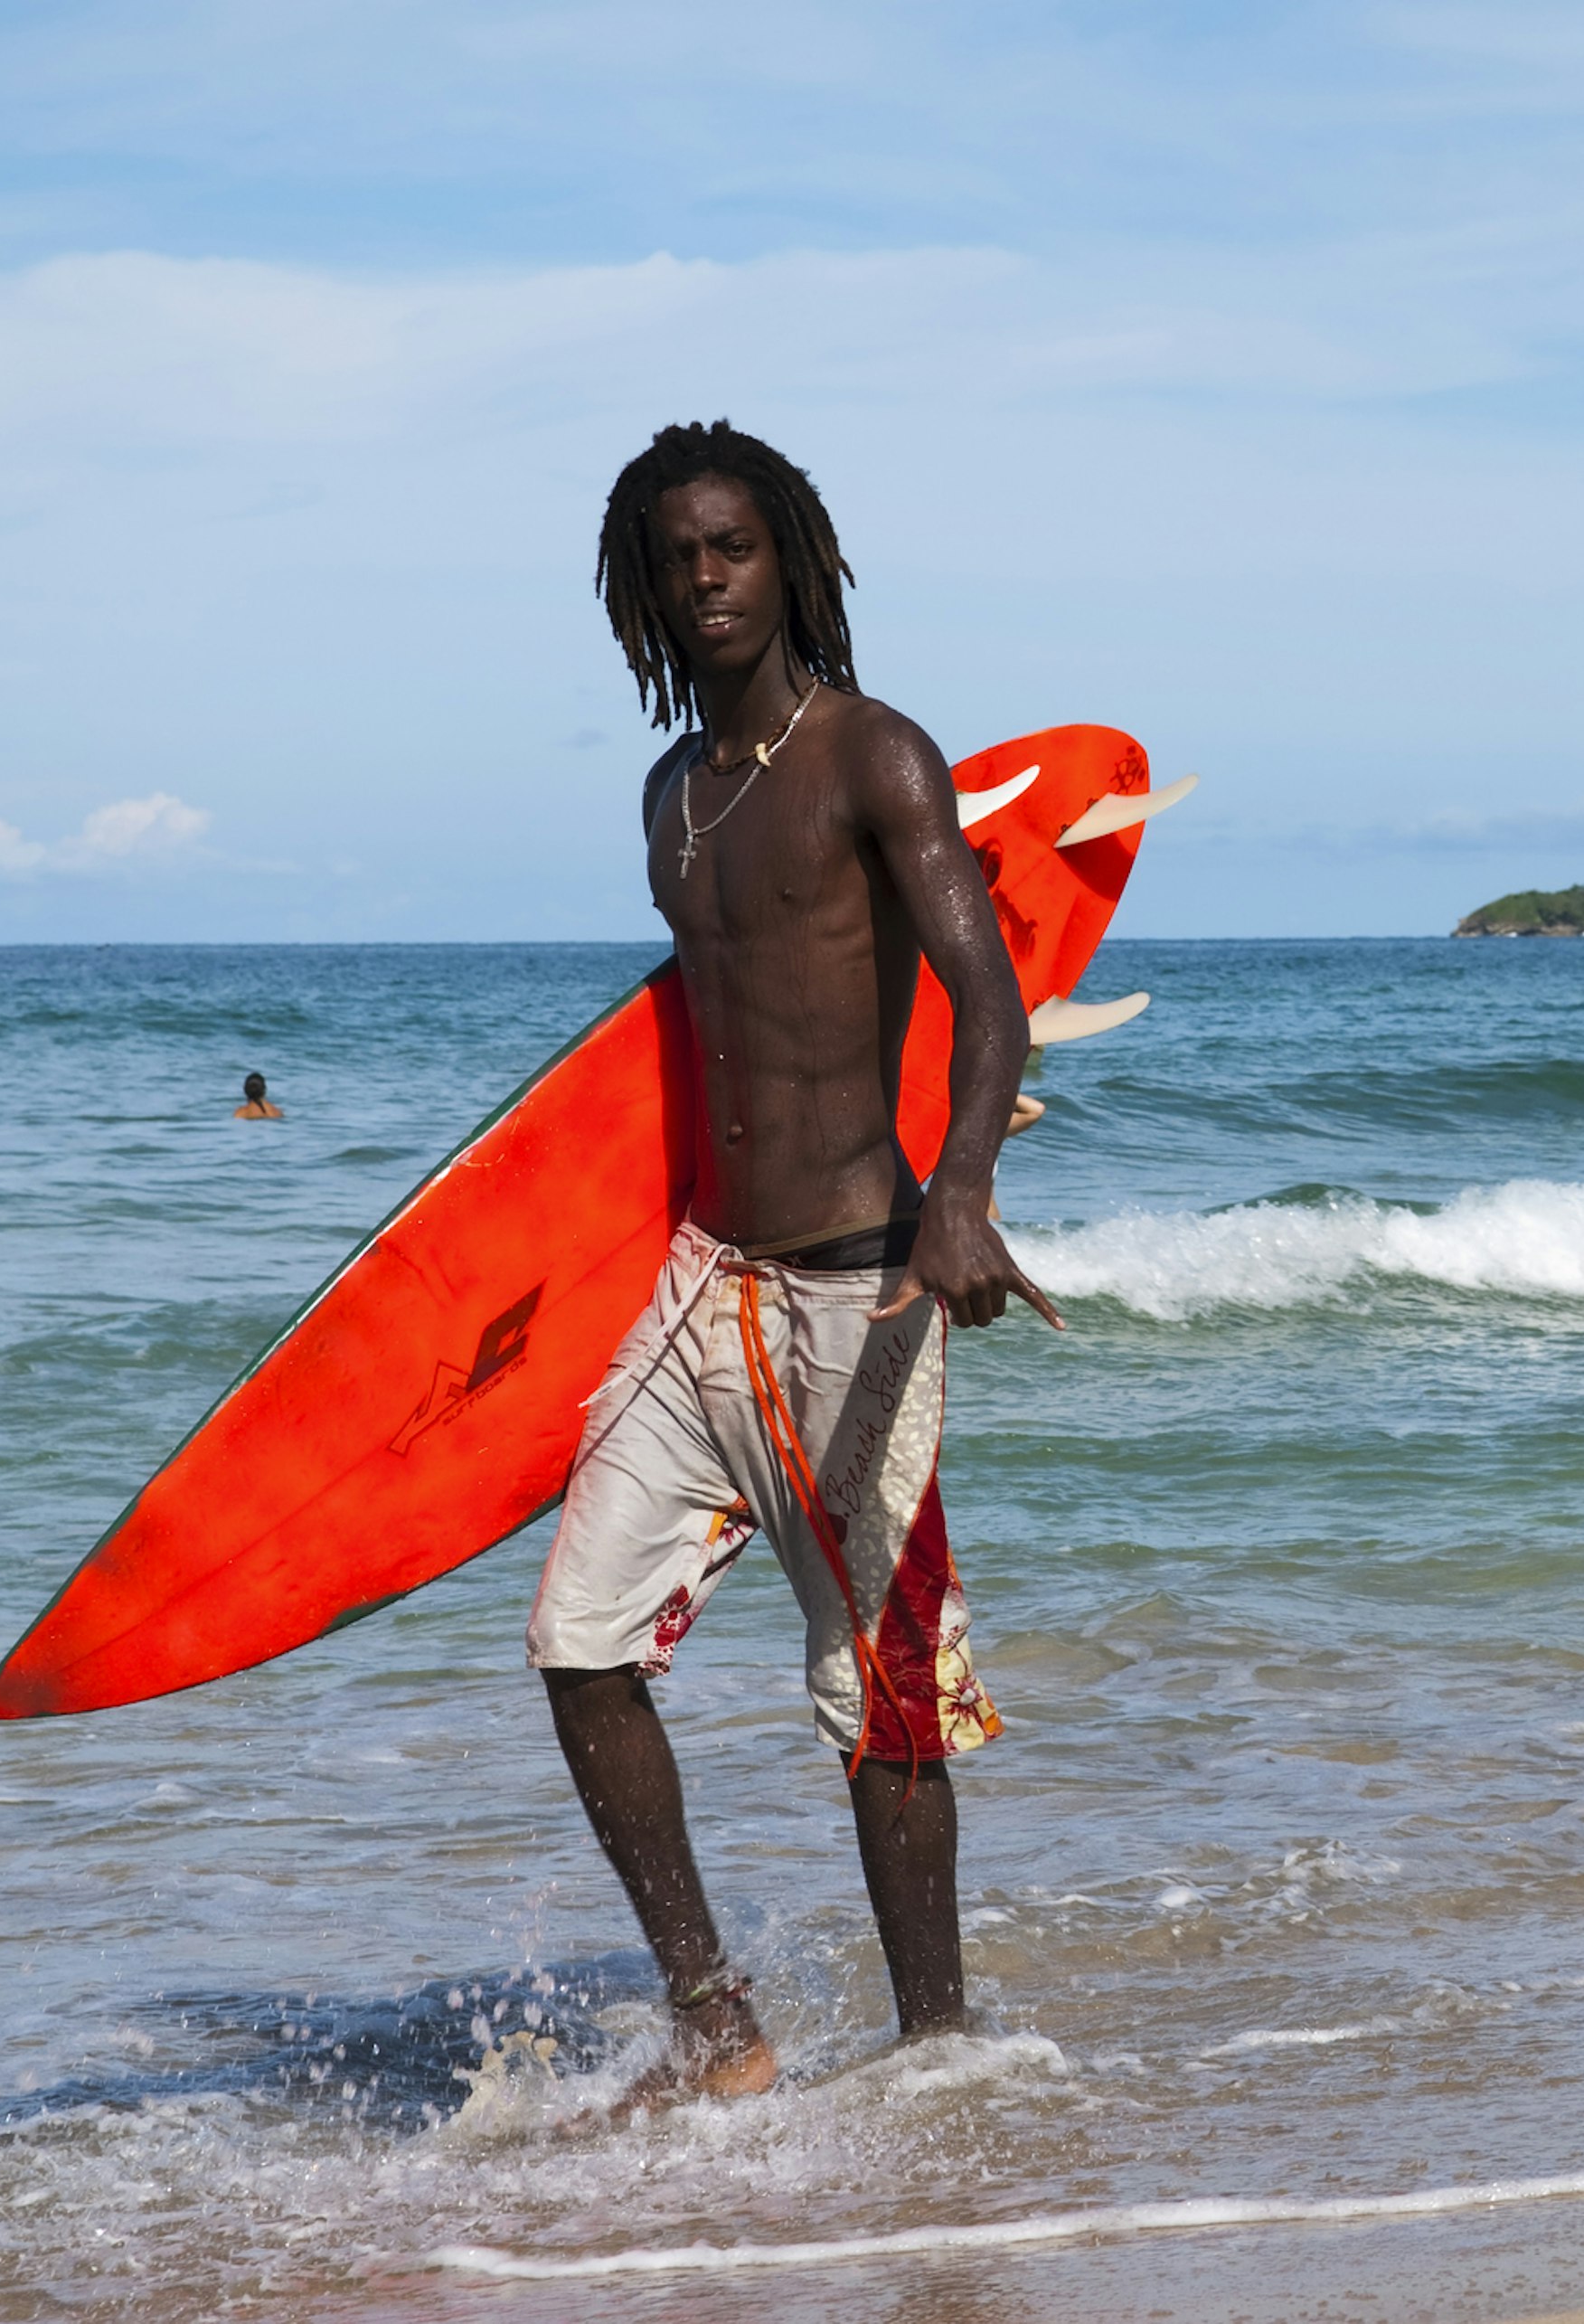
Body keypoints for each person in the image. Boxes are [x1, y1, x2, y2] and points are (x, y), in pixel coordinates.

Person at [528, 420, 1058, 2110]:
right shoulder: (671, 797)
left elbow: (989, 999)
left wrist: (961, 1189)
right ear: (647, 588)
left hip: (860, 1292)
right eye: (678, 558)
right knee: (577, 1643)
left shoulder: (873, 759)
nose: (707, 580)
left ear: (791, 560)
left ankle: (939, 2055)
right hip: (702, 1289)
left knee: (883, 1690)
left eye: (733, 548)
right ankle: (716, 2025)